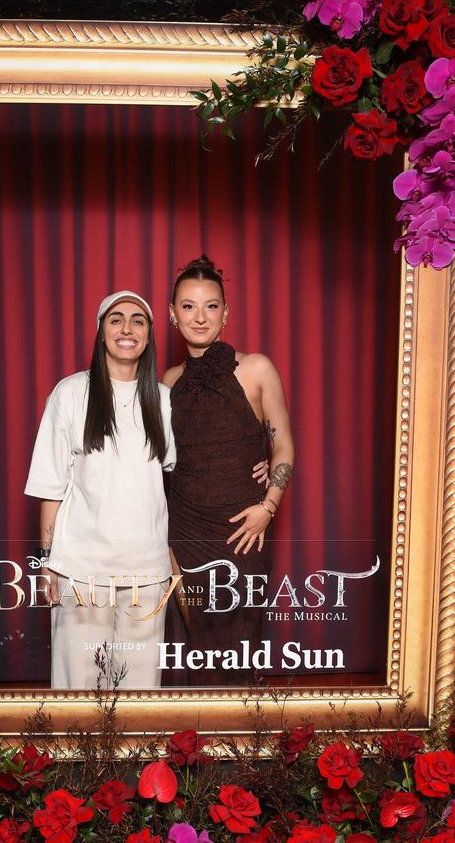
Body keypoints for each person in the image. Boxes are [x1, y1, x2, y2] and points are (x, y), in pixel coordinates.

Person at [25, 291, 175, 690]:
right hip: (80, 571)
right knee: (79, 690)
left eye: (138, 320)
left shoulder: (162, 401)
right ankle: (77, 757)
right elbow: (50, 485)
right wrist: (47, 563)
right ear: (101, 332)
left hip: (148, 572)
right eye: (116, 319)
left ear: (149, 335)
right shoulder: (71, 393)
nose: (127, 328)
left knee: (140, 694)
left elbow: (184, 477)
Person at [163, 256, 294, 687]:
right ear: (172, 315)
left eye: (211, 306)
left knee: (240, 646)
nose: (200, 317)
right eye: (188, 306)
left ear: (226, 313)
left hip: (244, 529)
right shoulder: (168, 380)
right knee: (198, 649)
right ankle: (200, 750)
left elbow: (283, 446)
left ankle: (242, 746)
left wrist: (268, 507)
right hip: (184, 533)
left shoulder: (256, 367)